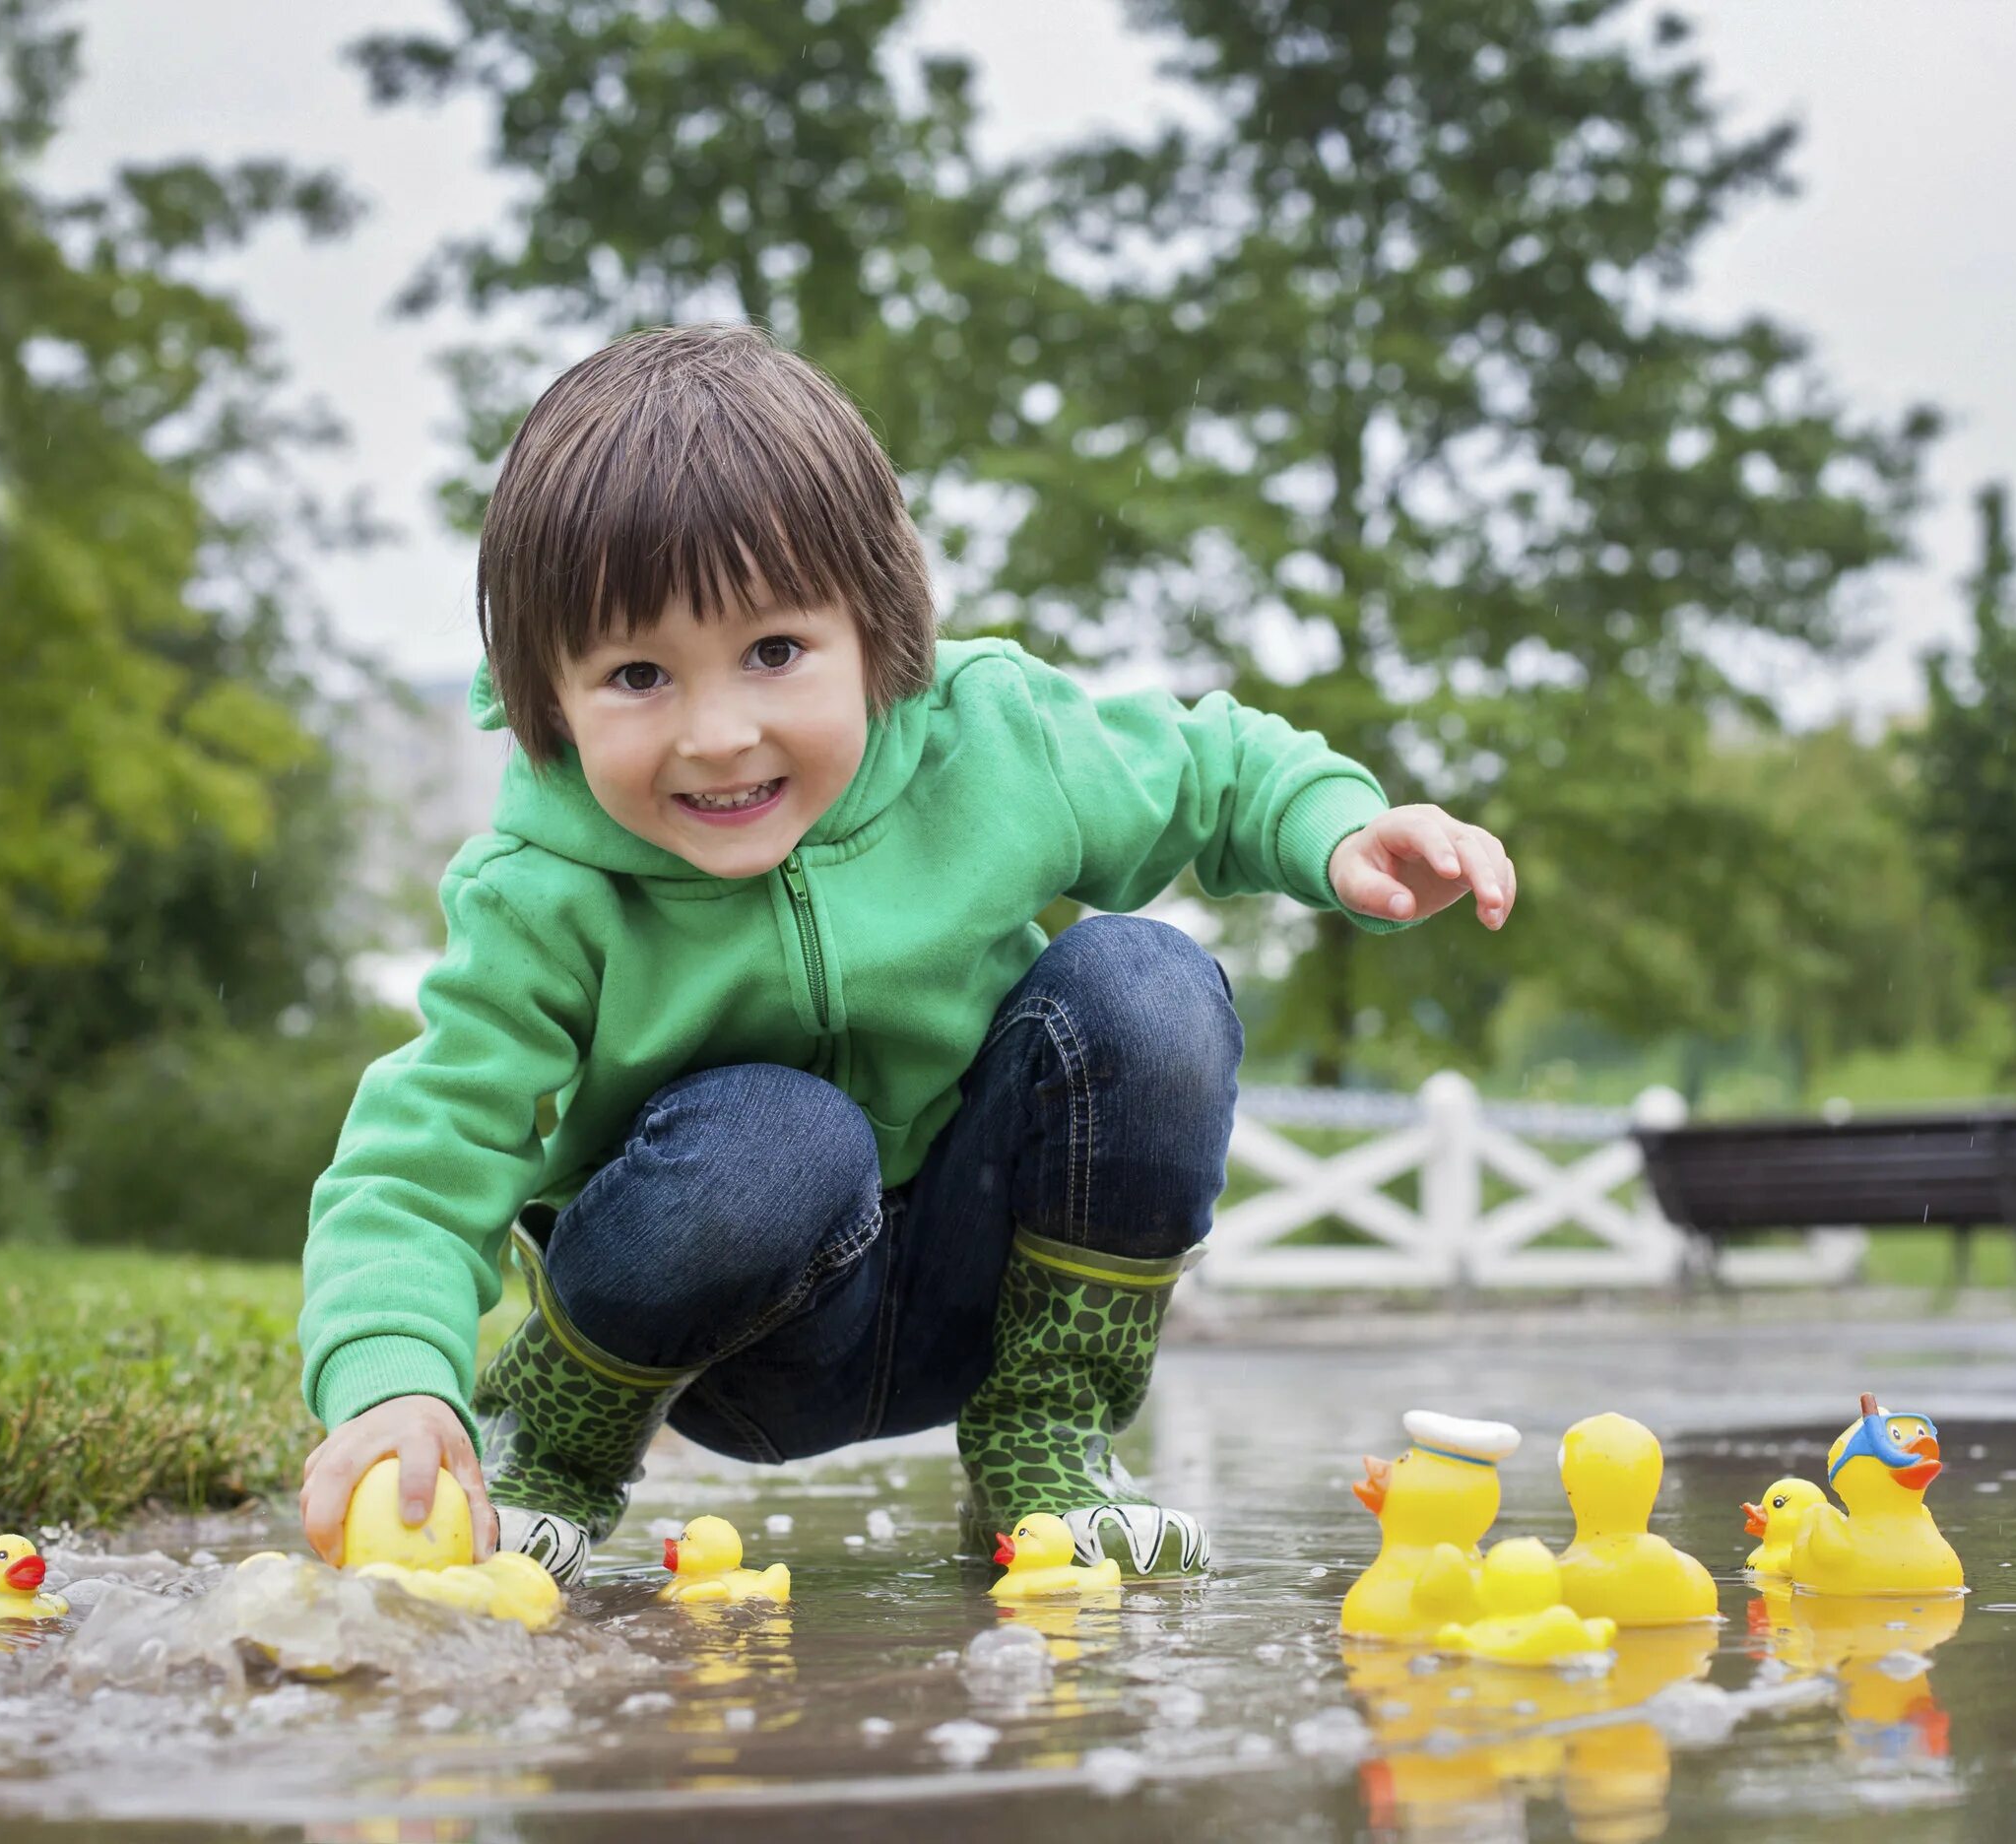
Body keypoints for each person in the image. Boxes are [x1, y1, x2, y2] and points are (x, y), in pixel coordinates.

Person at [295, 323, 1518, 1586]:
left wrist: (1340, 828)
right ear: (544, 696)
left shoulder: (991, 739)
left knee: (1148, 983)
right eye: (639, 674)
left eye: (775, 652)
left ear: (881, 629)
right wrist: (390, 1381)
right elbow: (419, 1163)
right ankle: (553, 1446)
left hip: (974, 1291)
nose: (719, 734)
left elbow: (1204, 767)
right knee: (780, 1129)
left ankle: (1047, 1439)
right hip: (723, 1334)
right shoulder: (542, 894)